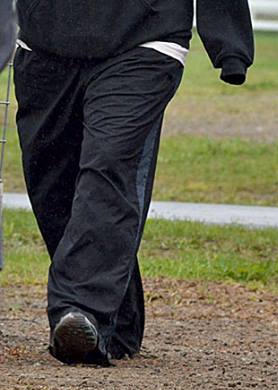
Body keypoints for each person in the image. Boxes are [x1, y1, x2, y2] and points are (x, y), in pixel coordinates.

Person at [15, 1, 255, 365]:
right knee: (52, 186)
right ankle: (117, 325)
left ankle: (81, 309)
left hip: (146, 38)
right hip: (44, 44)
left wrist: (229, 43)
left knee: (108, 166)